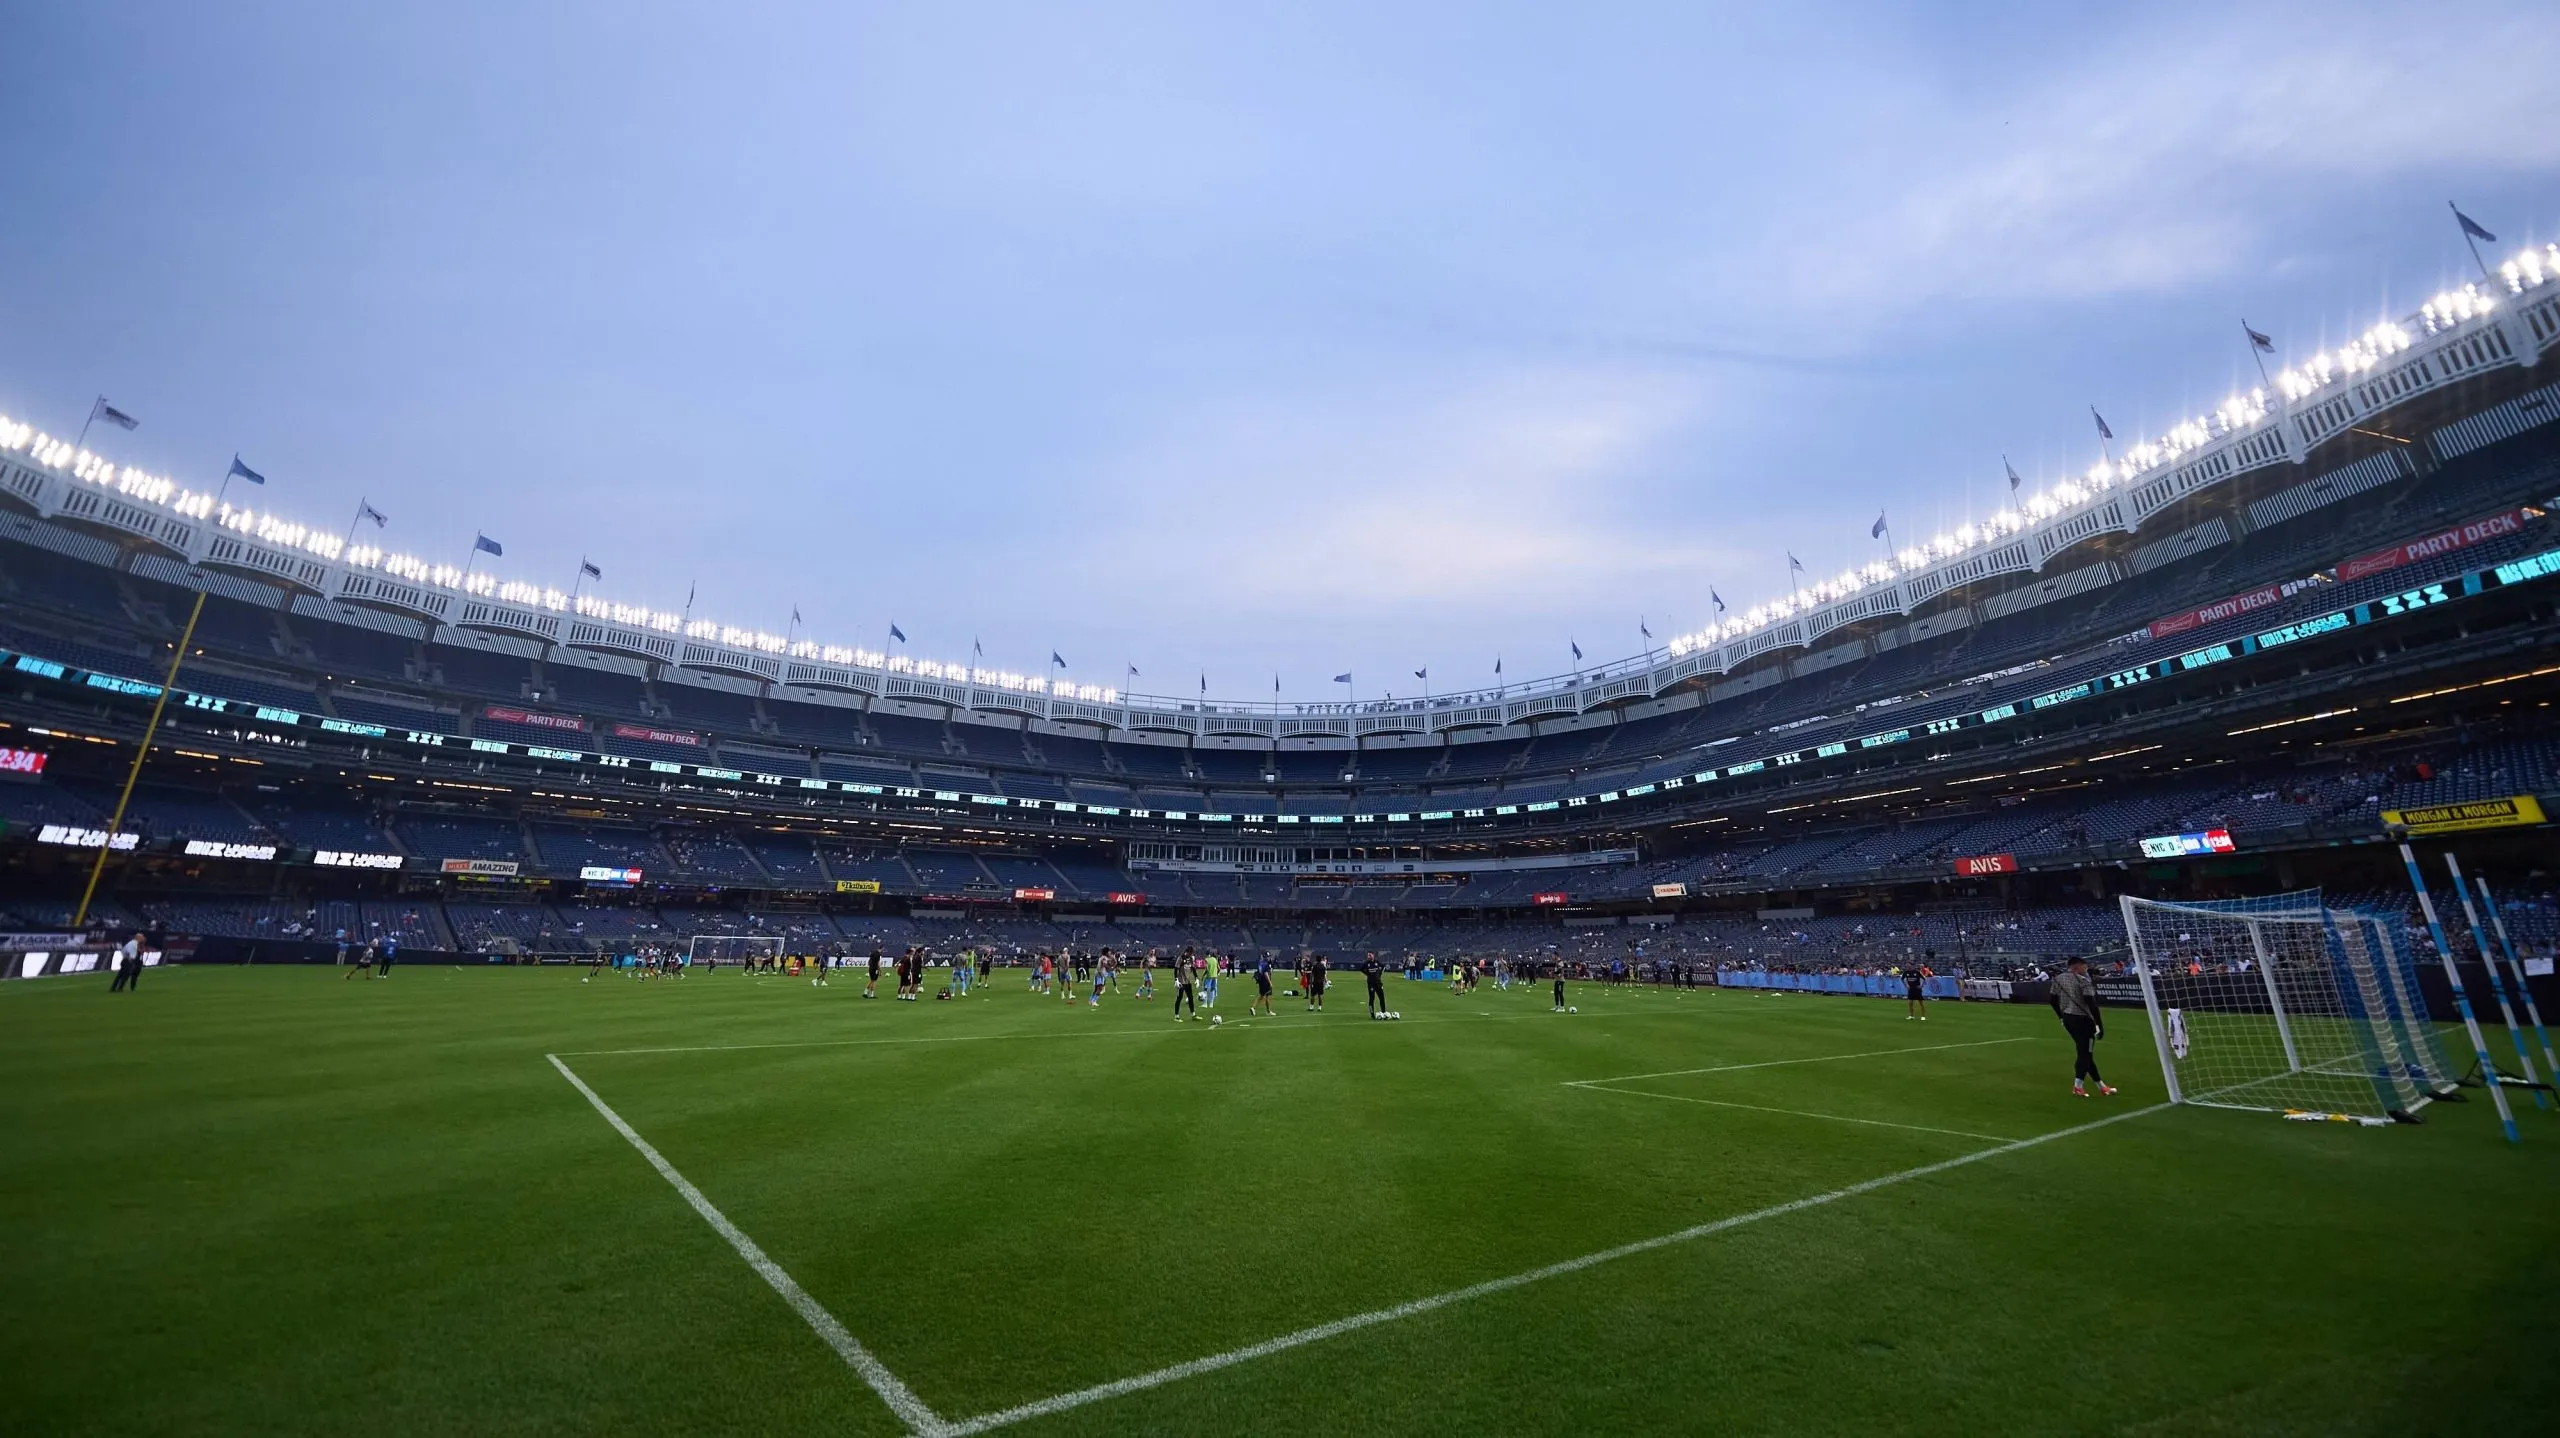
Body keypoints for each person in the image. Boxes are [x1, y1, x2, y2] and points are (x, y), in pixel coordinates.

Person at [2051, 956, 2115, 1097]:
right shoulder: (2083, 981)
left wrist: (2061, 1016)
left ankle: (2101, 1086)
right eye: (2084, 967)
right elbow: (2092, 1004)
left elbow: (2052, 999)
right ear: (2076, 967)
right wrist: (2099, 1024)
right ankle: (2078, 1086)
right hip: (2083, 1020)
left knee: (2085, 1052)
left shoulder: (2058, 979)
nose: (2085, 970)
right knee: (2085, 1053)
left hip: (2068, 1018)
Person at [1905, 952, 1932, 1021]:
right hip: (1911, 989)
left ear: (1911, 966)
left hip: (1917, 989)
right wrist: (1906, 985)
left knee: (1921, 1003)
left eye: (1908, 966)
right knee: (1910, 1003)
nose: (1907, 967)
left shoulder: (1917, 972)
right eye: (1906, 966)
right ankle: (1911, 1016)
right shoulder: (1906, 972)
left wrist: (1922, 986)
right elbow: (1902, 979)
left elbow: (1925, 979)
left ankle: (1923, 1016)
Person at [1364, 952, 1388, 1017]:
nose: (1368, 956)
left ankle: (1383, 1012)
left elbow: (1383, 967)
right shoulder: (1366, 963)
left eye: (1370, 955)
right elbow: (1361, 969)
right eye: (1368, 955)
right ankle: (1372, 1014)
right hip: (1371, 984)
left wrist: (1380, 973)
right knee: (1372, 998)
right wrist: (1367, 974)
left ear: (1373, 955)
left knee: (1382, 998)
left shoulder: (1377, 962)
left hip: (1378, 983)